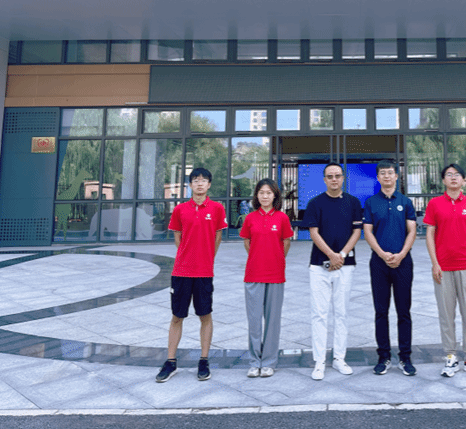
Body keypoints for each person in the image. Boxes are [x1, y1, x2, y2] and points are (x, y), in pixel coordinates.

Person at [155, 167, 227, 383]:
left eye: (204, 180)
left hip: (204, 272)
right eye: (196, 180)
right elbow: (178, 238)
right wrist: (187, 257)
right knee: (177, 316)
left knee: (205, 315)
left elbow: (217, 236)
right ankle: (171, 361)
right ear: (190, 184)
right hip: (181, 271)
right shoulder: (180, 210)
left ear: (209, 184)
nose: (200, 183)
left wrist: (207, 258)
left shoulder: (217, 209)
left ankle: (203, 360)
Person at [424, 163, 466, 378]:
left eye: (457, 175)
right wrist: (435, 263)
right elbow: (430, 234)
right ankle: (450, 355)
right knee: (446, 314)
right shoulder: (434, 204)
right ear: (443, 180)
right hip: (443, 268)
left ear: (463, 181)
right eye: (449, 175)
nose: (453, 178)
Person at [303, 162, 363, 380]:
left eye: (337, 175)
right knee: (319, 314)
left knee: (341, 313)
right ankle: (319, 361)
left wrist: (342, 255)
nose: (334, 179)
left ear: (343, 178)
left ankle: (339, 358)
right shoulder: (315, 203)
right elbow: (314, 232)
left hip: (345, 265)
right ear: (324, 179)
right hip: (319, 265)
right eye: (330, 176)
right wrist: (331, 255)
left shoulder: (353, 203)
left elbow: (357, 231)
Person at [363, 160, 417, 376]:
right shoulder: (371, 202)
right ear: (378, 178)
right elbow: (368, 232)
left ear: (396, 176)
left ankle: (405, 357)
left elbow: (412, 231)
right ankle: (383, 356)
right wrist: (382, 254)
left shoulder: (405, 201)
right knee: (381, 312)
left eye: (390, 173)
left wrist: (401, 254)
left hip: (403, 263)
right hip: (379, 263)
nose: (386, 176)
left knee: (404, 311)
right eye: (382, 173)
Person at [239, 178, 294, 377]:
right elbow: (247, 242)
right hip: (253, 274)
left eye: (269, 193)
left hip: (276, 275)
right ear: (256, 195)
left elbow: (286, 242)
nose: (265, 196)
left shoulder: (282, 218)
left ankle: (269, 362)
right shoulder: (250, 218)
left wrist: (275, 259)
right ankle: (255, 362)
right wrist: (258, 257)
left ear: (275, 196)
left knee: (273, 321)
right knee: (254, 321)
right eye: (261, 192)